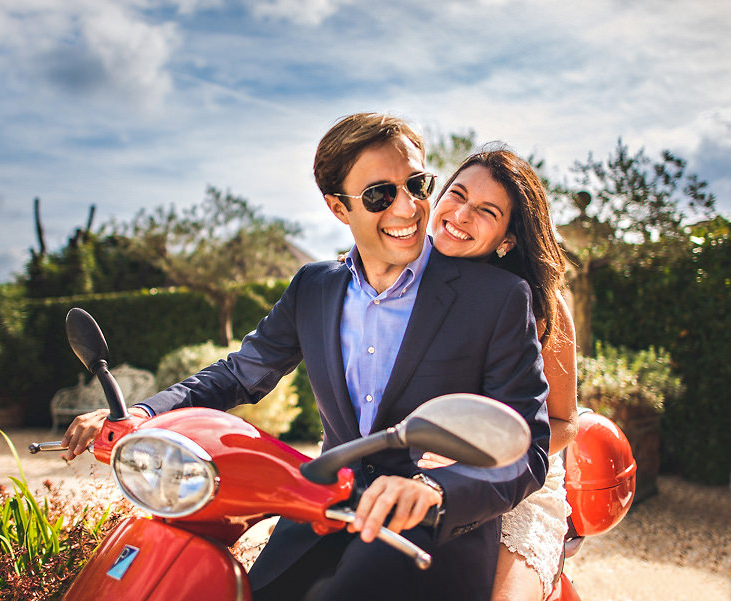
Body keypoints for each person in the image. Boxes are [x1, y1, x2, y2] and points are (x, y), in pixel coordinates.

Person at [61, 113, 551, 601]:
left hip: (424, 528)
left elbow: (527, 451)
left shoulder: (498, 297)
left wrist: (437, 490)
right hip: (319, 509)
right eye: (381, 194)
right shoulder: (314, 287)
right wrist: (145, 413)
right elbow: (239, 373)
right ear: (339, 208)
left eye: (418, 185)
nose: (408, 208)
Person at [422, 146, 578, 601]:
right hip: (412, 466)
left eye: (486, 211)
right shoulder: (398, 279)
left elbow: (563, 423)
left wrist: (479, 456)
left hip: (519, 481)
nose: (461, 215)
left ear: (508, 239)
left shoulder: (541, 305)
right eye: (457, 194)